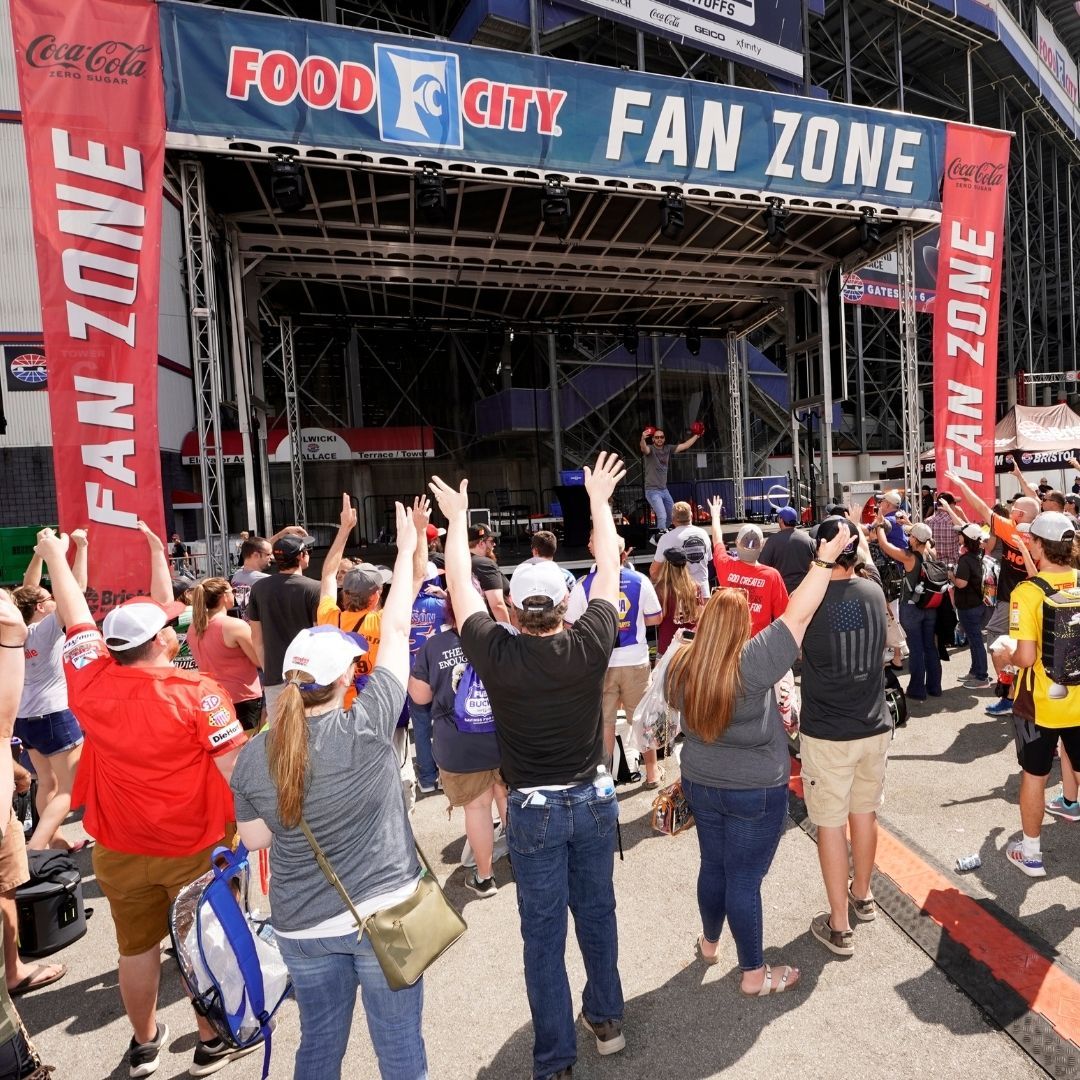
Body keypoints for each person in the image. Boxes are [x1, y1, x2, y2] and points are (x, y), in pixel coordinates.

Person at [430, 452, 627, 1080]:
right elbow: (610, 567)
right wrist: (596, 500)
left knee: (542, 937)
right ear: (563, 606)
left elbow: (460, 590)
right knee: (596, 914)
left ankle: (555, 1061)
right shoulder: (592, 639)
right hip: (594, 801)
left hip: (535, 811)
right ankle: (606, 1020)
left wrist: (455, 523)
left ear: (513, 610)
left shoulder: (498, 654)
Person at [35, 524, 249, 1077]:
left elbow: (76, 614)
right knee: (198, 943)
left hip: (118, 849)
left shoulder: (89, 682)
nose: (177, 628)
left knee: (135, 949)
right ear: (160, 641)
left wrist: (55, 553)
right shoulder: (198, 692)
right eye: (170, 627)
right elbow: (237, 774)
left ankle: (145, 1043)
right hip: (194, 844)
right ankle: (210, 1040)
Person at [230, 503, 427, 1080]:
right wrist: (409, 548)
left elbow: (255, 836)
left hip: (302, 923)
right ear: (347, 676)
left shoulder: (254, 754)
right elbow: (394, 626)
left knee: (317, 1047)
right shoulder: (367, 724)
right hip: (385, 912)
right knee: (400, 1049)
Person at [669, 526, 852, 993]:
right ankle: (753, 974)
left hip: (700, 781)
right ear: (741, 629)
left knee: (713, 866)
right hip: (754, 789)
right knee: (744, 879)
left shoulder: (681, 664)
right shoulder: (752, 663)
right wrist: (824, 560)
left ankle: (709, 945)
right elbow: (797, 613)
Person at [797, 517, 890, 958]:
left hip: (828, 731)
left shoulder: (810, 601)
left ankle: (839, 924)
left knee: (830, 824)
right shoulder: (874, 590)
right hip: (874, 725)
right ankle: (864, 895)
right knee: (865, 813)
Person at [994, 512, 1079, 877]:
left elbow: (1025, 656)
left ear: (1040, 545)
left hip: (1040, 703)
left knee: (1035, 775)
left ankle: (1030, 853)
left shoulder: (1026, 593)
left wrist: (1004, 654)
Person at [408, 585, 507, 898]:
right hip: (505, 738)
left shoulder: (434, 645)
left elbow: (419, 696)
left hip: (459, 743)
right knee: (510, 800)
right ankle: (528, 865)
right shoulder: (503, 636)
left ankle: (485, 877)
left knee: (477, 809)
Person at [0, 587, 55, 1079]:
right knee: (61, 789)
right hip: (49, 717)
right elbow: (13, 617)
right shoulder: (27, 631)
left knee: (8, 888)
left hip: (25, 727)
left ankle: (13, 968)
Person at [565, 533, 663, 786]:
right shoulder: (639, 580)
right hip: (636, 661)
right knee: (642, 719)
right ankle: (651, 772)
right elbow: (655, 617)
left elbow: (569, 624)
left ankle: (605, 777)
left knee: (605, 722)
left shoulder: (584, 584)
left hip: (600, 662)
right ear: (623, 555)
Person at [12, 529, 89, 853]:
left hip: (25, 718)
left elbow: (25, 591)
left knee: (48, 782)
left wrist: (40, 554)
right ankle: (37, 846)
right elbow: (78, 591)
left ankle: (54, 841)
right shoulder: (44, 631)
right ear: (41, 608)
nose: (52, 597)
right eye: (46, 598)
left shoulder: (15, 630)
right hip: (54, 715)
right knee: (72, 788)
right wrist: (81, 548)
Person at [945, 470, 1039, 714]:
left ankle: (1009, 693)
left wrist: (963, 486)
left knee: (997, 644)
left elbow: (982, 508)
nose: (1011, 509)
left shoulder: (1013, 531)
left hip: (1014, 601)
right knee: (1028, 648)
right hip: (1035, 601)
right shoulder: (1043, 536)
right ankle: (1018, 692)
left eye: (1014, 507)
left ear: (1019, 514)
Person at [247, 530, 320, 717]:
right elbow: (321, 634)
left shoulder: (259, 588)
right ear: (301, 556)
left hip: (275, 676)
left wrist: (268, 668)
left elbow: (256, 638)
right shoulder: (314, 588)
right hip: (308, 677)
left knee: (280, 739)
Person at [872, 519, 941, 701]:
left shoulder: (909, 557)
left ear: (915, 540)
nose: (908, 537)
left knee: (916, 649)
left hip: (912, 608)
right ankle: (935, 687)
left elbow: (884, 545)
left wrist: (879, 527)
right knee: (930, 647)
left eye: (910, 535)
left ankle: (917, 690)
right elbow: (924, 538)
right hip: (930, 607)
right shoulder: (930, 553)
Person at [186, 578, 264, 731]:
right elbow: (259, 660)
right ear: (224, 597)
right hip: (242, 697)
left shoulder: (193, 628)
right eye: (232, 591)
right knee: (246, 749)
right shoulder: (234, 626)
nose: (234, 595)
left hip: (212, 698)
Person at [708, 498, 788, 637]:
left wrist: (715, 515)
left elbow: (717, 540)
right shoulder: (772, 576)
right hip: (758, 646)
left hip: (728, 643)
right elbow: (784, 616)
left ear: (737, 542)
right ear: (762, 545)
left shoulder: (725, 564)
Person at [639, 425, 701, 541]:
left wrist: (697, 436)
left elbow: (685, 446)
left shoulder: (668, 448)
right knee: (662, 515)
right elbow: (643, 448)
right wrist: (642, 438)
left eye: (661, 437)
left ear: (664, 438)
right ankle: (660, 540)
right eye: (656, 437)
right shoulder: (650, 449)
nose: (659, 439)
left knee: (673, 514)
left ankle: (659, 538)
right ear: (652, 439)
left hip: (663, 489)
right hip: (652, 490)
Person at [951, 524, 991, 689]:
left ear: (967, 539)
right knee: (975, 641)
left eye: (960, 534)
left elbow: (961, 583)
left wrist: (951, 576)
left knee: (976, 641)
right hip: (976, 604)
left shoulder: (966, 559)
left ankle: (981, 676)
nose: (958, 535)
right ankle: (975, 672)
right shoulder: (978, 554)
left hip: (969, 606)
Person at [651, 501, 712, 597]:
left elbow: (654, 572)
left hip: (679, 597)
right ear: (691, 516)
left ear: (673, 519)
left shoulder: (666, 538)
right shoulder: (703, 534)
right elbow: (708, 561)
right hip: (703, 595)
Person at [653, 548, 704, 656]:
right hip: (690, 644)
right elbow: (700, 616)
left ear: (666, 566)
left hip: (667, 645)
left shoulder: (660, 589)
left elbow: (656, 619)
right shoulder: (695, 587)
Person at [758, 507, 815, 593]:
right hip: (804, 589)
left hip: (781, 590)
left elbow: (762, 565)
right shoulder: (808, 539)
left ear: (781, 520)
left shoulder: (773, 540)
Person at [467, 525, 511, 624]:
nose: (494, 544)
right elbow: (497, 605)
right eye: (491, 541)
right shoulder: (485, 564)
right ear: (481, 543)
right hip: (493, 628)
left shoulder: (461, 563)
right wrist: (508, 631)